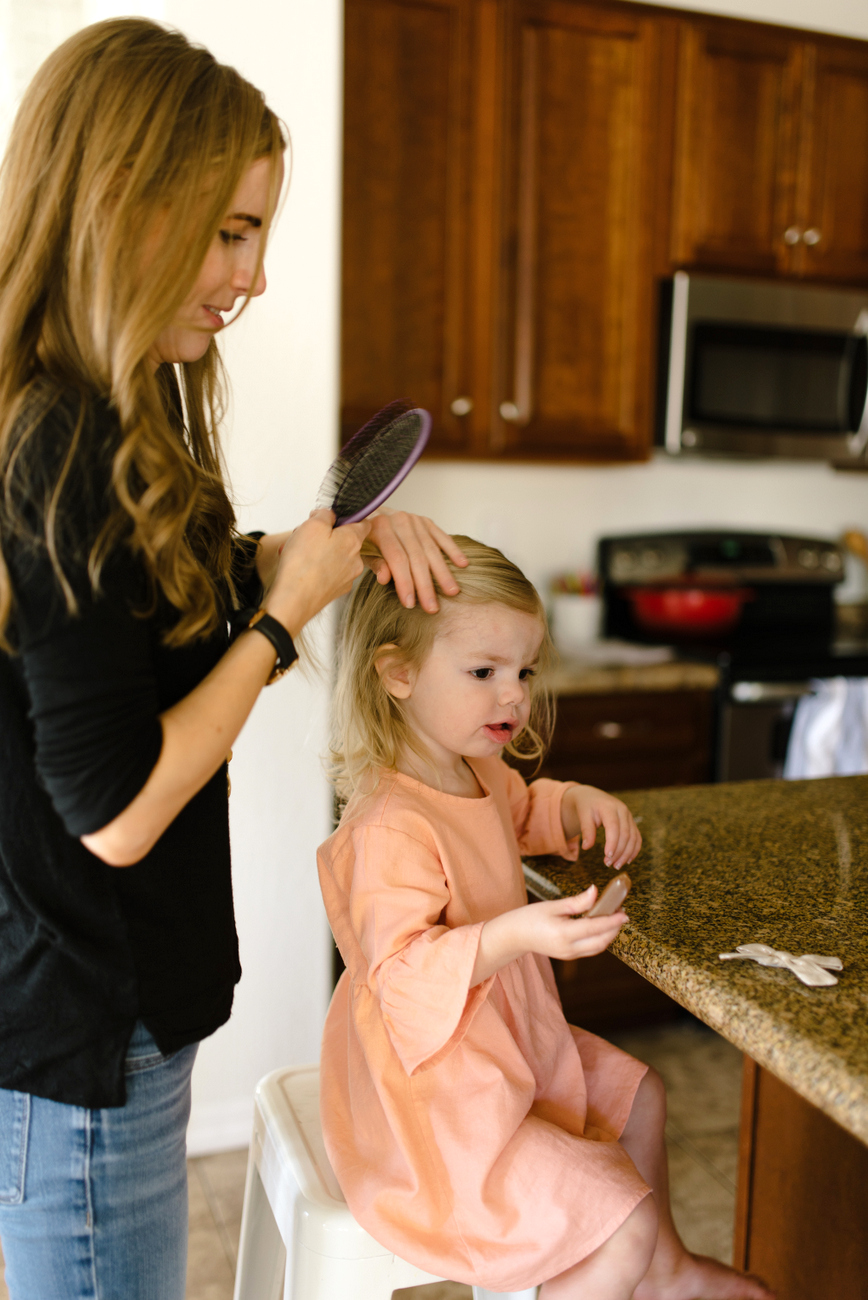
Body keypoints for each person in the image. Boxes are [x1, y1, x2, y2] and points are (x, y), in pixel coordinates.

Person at [0, 18, 465, 1300]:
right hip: (90, 1017)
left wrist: (312, 555)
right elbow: (116, 816)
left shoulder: (121, 402)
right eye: (228, 230)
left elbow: (142, 607)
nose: (250, 275)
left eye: (254, 232)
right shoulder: (59, 442)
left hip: (124, 1003)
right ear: (122, 207)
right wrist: (278, 626)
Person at [318, 537, 775, 1300]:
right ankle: (642, 1261)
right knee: (618, 1224)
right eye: (484, 673)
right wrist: (520, 932)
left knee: (643, 1098)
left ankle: (664, 1275)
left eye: (524, 672)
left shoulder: (476, 770)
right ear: (397, 672)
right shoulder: (386, 826)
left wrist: (571, 803)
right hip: (437, 1114)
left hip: (504, 1056)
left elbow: (520, 811)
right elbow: (400, 978)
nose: (514, 696)